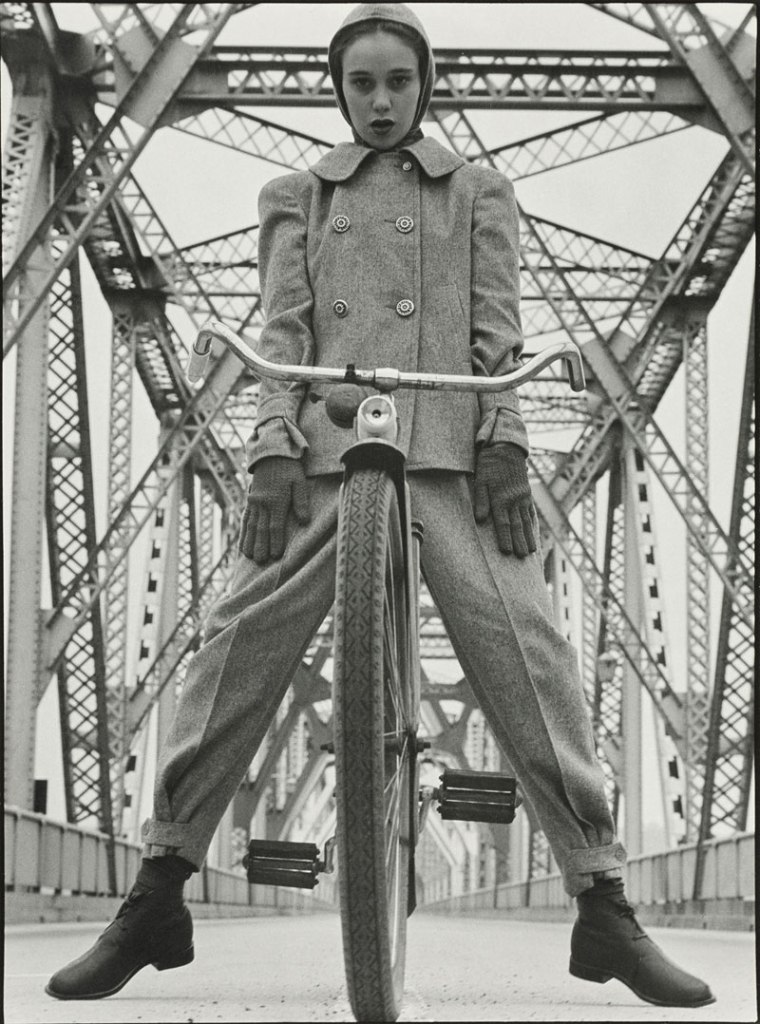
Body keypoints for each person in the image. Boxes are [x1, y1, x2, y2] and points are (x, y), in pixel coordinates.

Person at [46, 3, 714, 1010]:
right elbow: (282, 325)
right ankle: (156, 893)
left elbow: (499, 327)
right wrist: (270, 445)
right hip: (320, 454)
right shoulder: (294, 197)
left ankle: (605, 904)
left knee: (527, 649)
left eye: (398, 81)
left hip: (448, 447)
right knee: (233, 645)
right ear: (338, 90)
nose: (381, 102)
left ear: (424, 85)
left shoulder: (478, 193)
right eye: (361, 83)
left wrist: (507, 443)